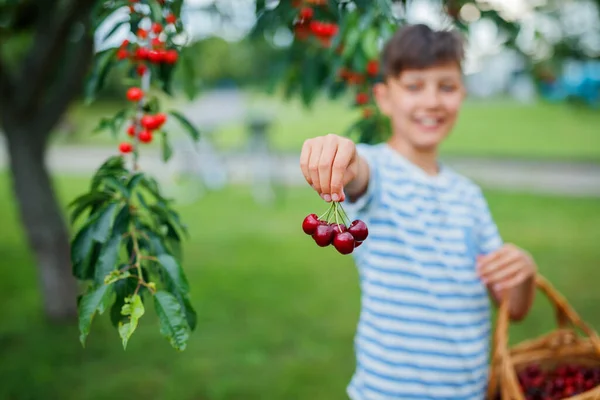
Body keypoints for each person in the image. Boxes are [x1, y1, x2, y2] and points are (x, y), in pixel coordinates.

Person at [299, 24, 538, 400]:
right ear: (383, 97)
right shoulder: (378, 170)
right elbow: (358, 172)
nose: (431, 101)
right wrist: (340, 153)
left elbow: (514, 306)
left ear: (463, 92)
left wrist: (524, 272)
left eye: (446, 86)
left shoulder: (469, 196)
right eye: (413, 87)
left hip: (471, 392)